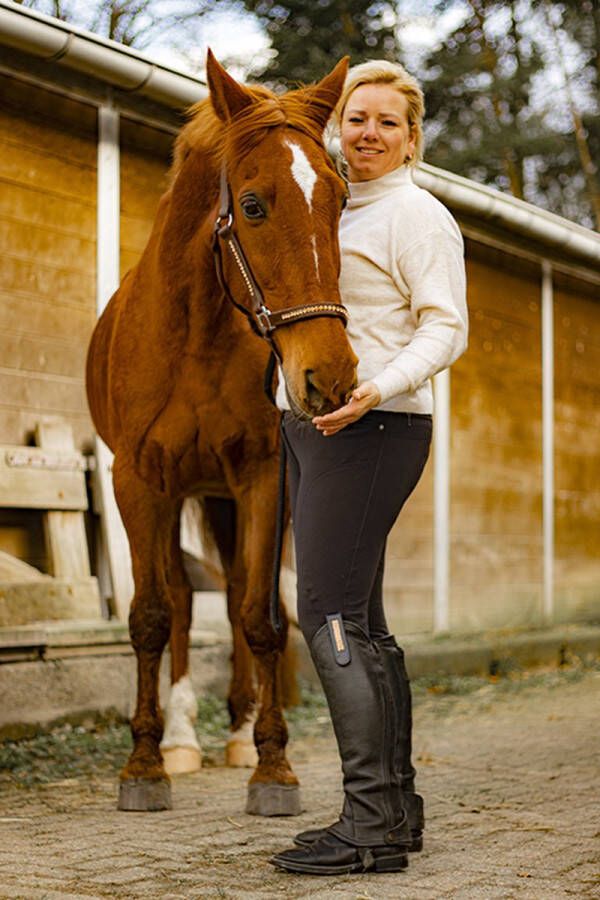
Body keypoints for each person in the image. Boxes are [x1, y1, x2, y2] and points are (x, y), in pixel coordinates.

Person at [270, 59, 468, 876]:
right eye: (358, 119)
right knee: (365, 622)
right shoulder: (329, 205)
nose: (370, 134)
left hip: (376, 426)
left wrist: (376, 387)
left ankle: (367, 824)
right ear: (336, 126)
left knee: (327, 613)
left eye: (389, 122)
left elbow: (445, 328)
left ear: (412, 137)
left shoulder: (417, 217)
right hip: (314, 430)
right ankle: (393, 812)